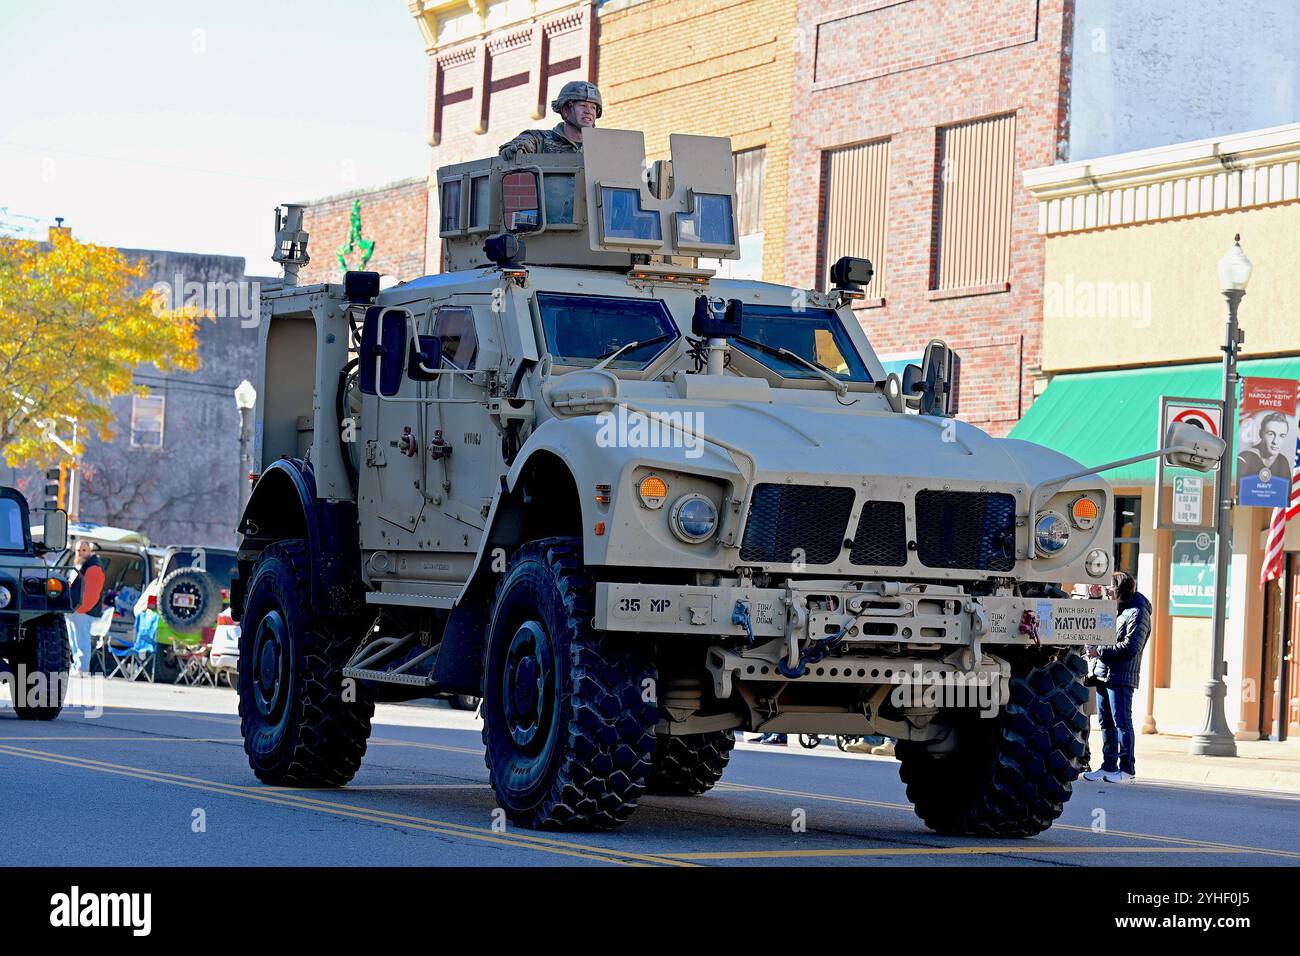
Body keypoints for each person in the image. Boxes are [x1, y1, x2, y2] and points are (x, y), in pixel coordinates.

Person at [1082, 572, 1151, 783]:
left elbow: (1131, 647)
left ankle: (1127, 770)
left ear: (1120, 589)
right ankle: (1108, 766)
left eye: (1110, 587)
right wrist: (1094, 598)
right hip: (1103, 673)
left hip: (1121, 675)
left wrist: (1099, 651)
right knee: (1106, 722)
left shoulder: (1138, 613)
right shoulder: (1116, 609)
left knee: (1122, 722)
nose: (1107, 590)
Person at [499, 81, 601, 159]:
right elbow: (521, 144)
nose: (589, 111)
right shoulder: (540, 139)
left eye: (593, 107)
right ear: (565, 110)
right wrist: (516, 149)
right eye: (583, 106)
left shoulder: (603, 146)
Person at [68, 539, 106, 672]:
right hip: (75, 610)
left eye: (84, 550)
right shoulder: (82, 565)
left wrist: (80, 609)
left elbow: (92, 593)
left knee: (81, 640)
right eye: (78, 550)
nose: (81, 553)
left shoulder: (93, 567)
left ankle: (82, 668)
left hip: (82, 611)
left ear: (90, 551)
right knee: (74, 641)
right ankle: (78, 667)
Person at [1237, 412, 1291, 485]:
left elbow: (1287, 494)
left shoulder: (1283, 461)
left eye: (1282, 435)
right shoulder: (1244, 459)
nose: (1275, 441)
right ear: (1260, 434)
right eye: (1270, 434)